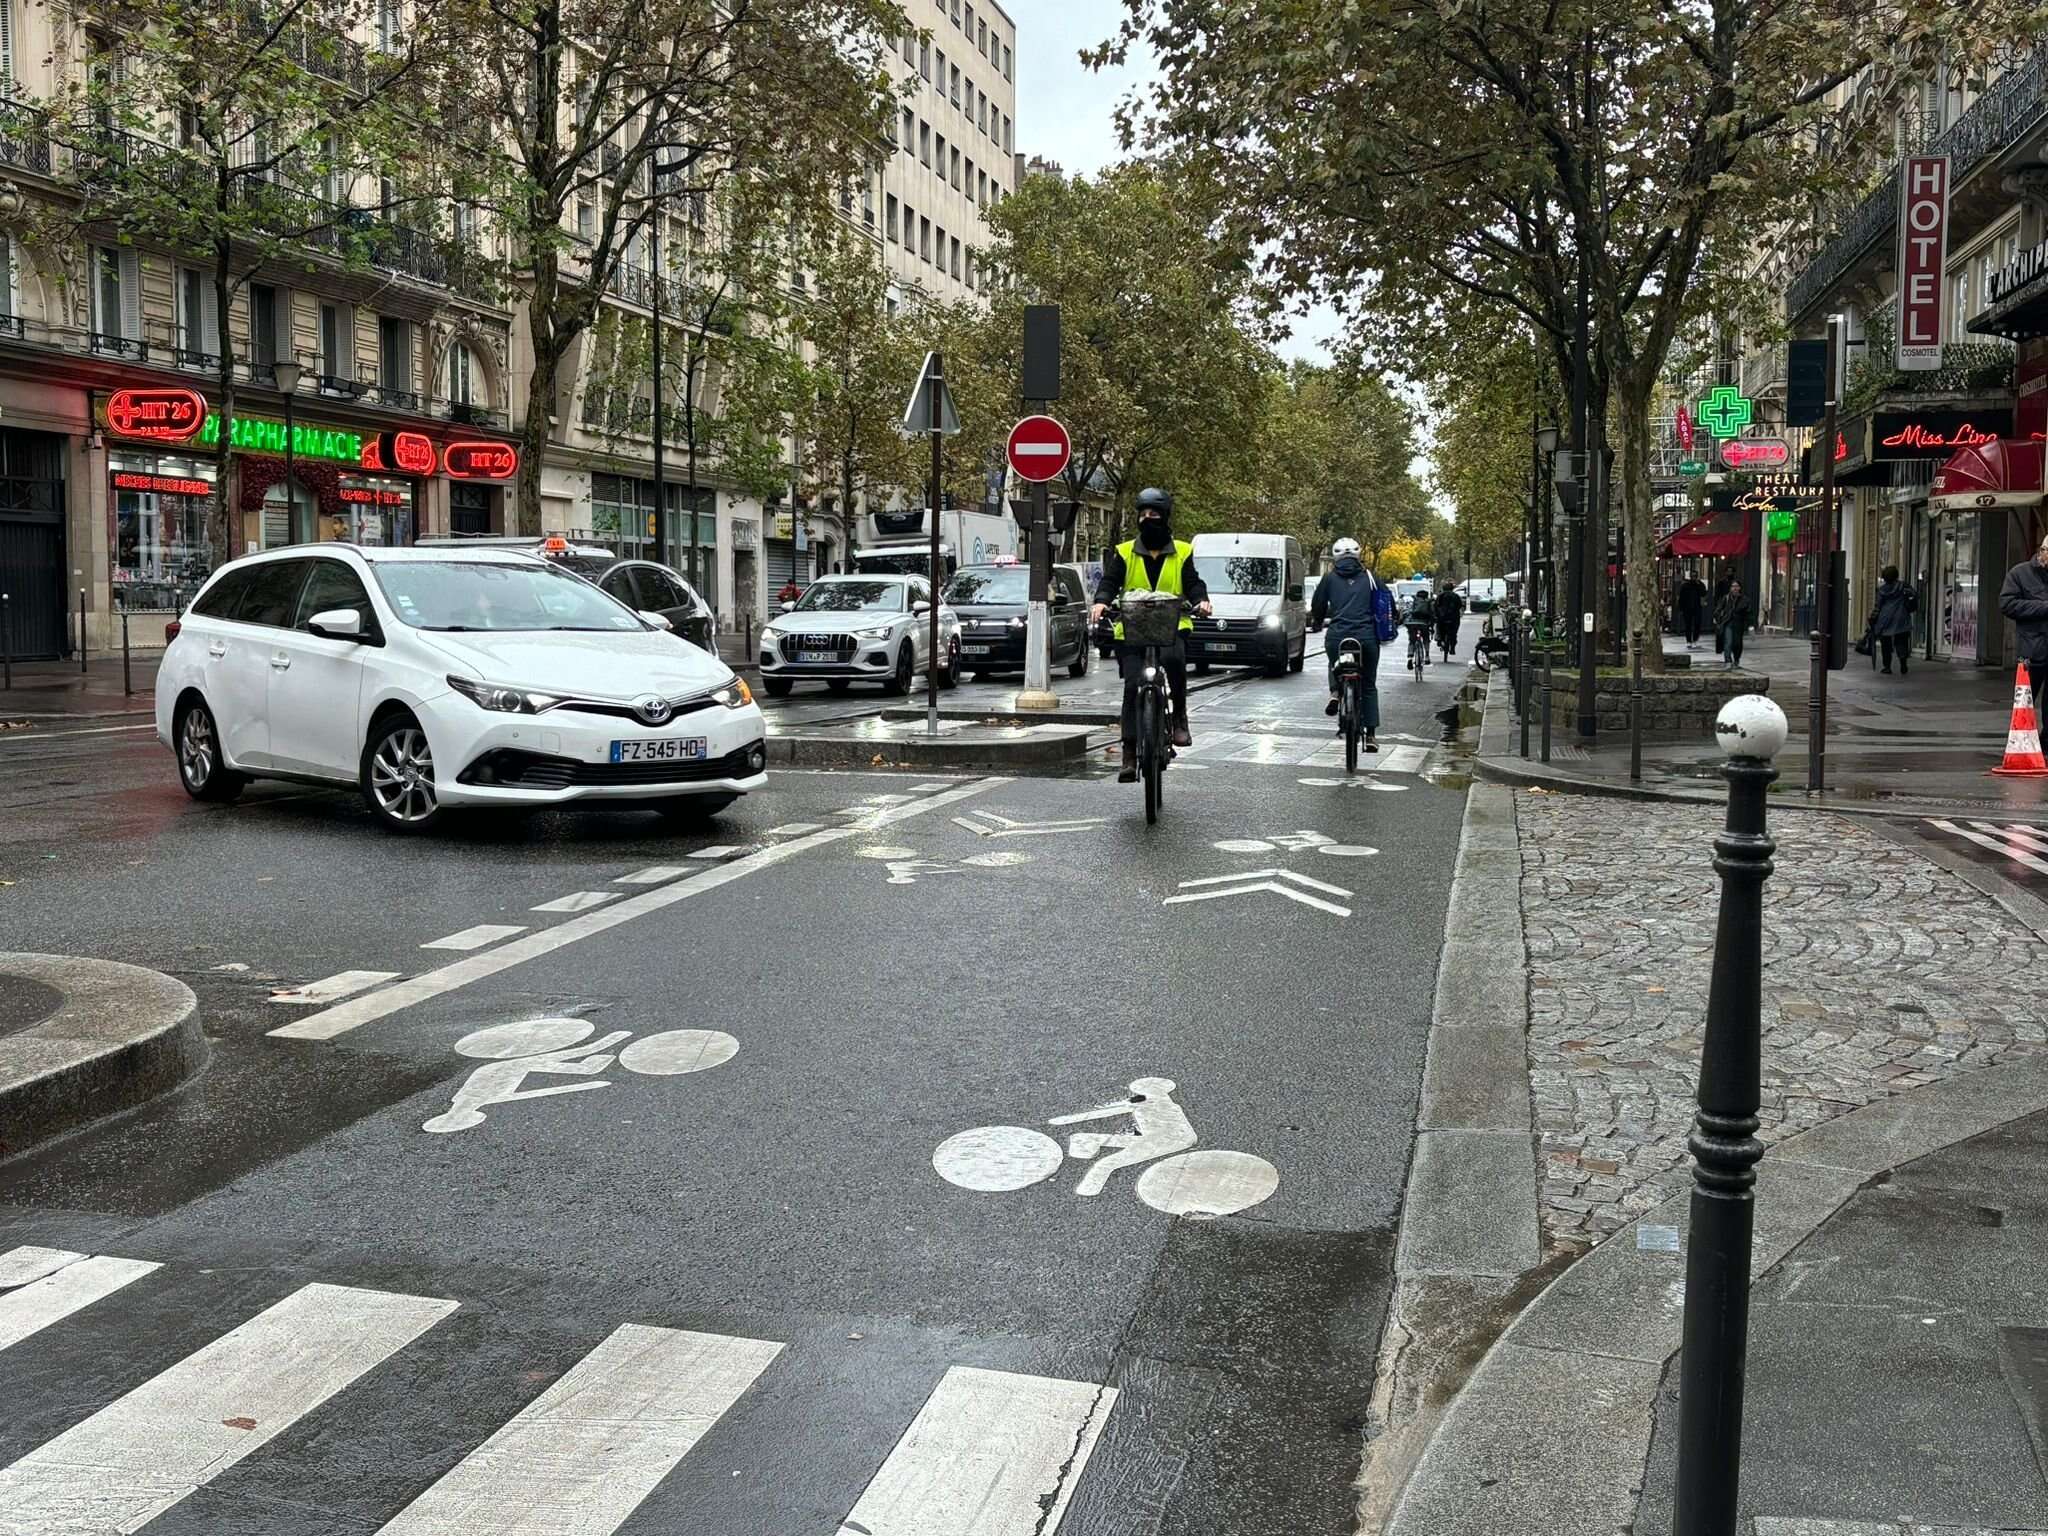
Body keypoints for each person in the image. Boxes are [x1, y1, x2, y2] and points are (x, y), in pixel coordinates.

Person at [1091, 487, 1212, 782]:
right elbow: (1110, 581)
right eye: (1143, 515)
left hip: (1172, 625)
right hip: (1132, 627)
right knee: (1132, 685)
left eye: (1153, 514)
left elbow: (1193, 582)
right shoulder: (1124, 551)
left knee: (1174, 660)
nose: (1147, 519)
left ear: (1165, 518)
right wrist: (1101, 601)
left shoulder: (1182, 550)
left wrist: (1201, 601)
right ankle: (1130, 753)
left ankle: (1180, 717)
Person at [1308, 537, 1386, 751]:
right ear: (1358, 555)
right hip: (1366, 636)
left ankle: (1335, 692)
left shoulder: (1329, 578)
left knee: (1334, 661)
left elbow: (1318, 605)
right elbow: (1386, 602)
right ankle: (1370, 735)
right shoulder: (1370, 577)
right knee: (1368, 685)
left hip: (1338, 635)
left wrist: (1317, 622)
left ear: (1335, 556)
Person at [1998, 534, 2048, 721]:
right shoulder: (2020, 573)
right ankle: (2020, 742)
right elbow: (2007, 604)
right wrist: (2043, 607)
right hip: (2031, 650)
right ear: (2043, 552)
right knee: (2025, 702)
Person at [1870, 565, 1918, 676]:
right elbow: (1914, 595)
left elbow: (1878, 606)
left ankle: (1887, 667)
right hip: (1901, 617)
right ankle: (1903, 663)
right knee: (1901, 642)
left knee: (1885, 644)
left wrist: (1873, 618)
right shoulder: (1904, 586)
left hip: (1885, 619)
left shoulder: (1882, 590)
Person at [1713, 578, 1753, 670]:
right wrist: (1719, 619)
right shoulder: (1726, 598)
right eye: (1733, 586)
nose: (1735, 588)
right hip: (1727, 623)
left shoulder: (1745, 600)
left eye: (1737, 586)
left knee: (1737, 644)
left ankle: (1736, 660)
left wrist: (1751, 626)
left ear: (1740, 588)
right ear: (1730, 588)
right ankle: (1728, 661)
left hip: (1739, 625)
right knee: (1728, 642)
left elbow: (1749, 614)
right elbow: (1717, 610)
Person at [1677, 572, 1708, 649]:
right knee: (1688, 625)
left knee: (1697, 624)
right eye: (1693, 576)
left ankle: (1695, 640)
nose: (1694, 578)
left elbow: (1704, 593)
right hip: (1687, 608)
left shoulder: (1700, 584)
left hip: (1697, 607)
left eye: (1695, 576)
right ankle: (1688, 641)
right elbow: (1681, 597)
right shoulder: (1685, 585)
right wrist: (1681, 607)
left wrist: (1699, 584)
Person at [1434, 579, 1464, 657]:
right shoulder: (1456, 596)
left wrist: (1436, 615)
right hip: (1453, 618)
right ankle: (1452, 647)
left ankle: (1439, 639)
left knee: (1439, 628)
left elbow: (1435, 606)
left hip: (1442, 618)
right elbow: (1460, 606)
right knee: (1454, 633)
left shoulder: (1440, 596)